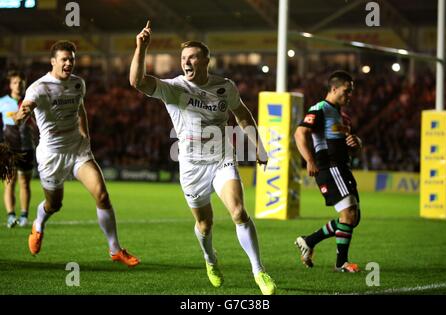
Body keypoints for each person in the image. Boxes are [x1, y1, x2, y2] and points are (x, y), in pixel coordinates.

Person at [130, 21, 276, 294]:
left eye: (192, 57)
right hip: (192, 167)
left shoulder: (225, 86)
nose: (186, 61)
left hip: (222, 159)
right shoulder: (173, 88)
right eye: (183, 58)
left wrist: (258, 145)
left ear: (206, 60)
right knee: (204, 224)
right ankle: (210, 259)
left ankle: (259, 271)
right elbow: (137, 82)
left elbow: (242, 114)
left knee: (239, 212)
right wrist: (142, 47)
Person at [14, 40, 139, 267]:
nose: (69, 63)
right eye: (64, 59)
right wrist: (22, 113)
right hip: (52, 155)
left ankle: (115, 250)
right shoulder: (39, 87)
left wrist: (85, 136)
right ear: (53, 62)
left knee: (102, 194)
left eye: (72, 59)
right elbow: (28, 105)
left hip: (78, 150)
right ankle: (39, 223)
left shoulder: (78, 84)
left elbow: (80, 109)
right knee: (55, 205)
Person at [294, 70, 362, 273]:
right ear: (334, 88)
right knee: (348, 214)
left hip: (342, 167)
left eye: (351, 92)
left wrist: (356, 142)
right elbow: (300, 133)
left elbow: (351, 143)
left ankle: (309, 241)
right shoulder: (320, 109)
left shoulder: (343, 117)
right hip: (329, 166)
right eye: (346, 91)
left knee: (352, 218)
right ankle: (342, 262)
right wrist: (309, 160)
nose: (349, 96)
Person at [0, 70, 36, 228]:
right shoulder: (2, 102)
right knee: (9, 182)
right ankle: (10, 215)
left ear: (25, 84)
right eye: (15, 82)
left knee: (25, 183)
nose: (18, 85)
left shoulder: (30, 102)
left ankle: (24, 216)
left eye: (21, 83)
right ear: (10, 85)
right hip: (8, 148)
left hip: (27, 147)